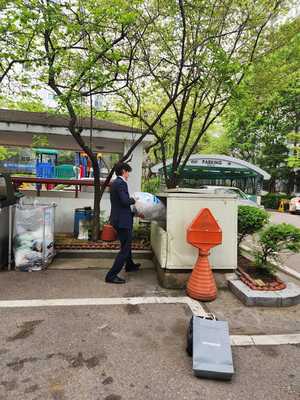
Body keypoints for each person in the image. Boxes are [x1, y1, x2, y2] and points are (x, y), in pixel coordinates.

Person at [105, 162, 140, 284]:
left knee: (127, 244)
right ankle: (111, 275)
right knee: (125, 249)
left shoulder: (116, 183)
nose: (128, 174)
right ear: (123, 171)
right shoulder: (120, 183)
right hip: (122, 221)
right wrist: (135, 200)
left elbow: (120, 204)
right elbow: (125, 201)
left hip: (120, 219)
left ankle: (129, 265)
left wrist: (134, 213)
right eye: (128, 172)